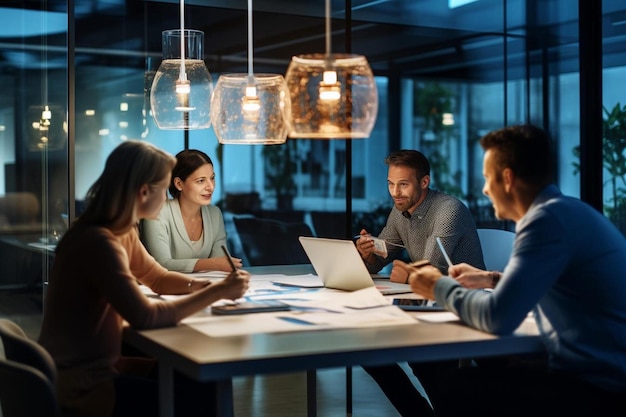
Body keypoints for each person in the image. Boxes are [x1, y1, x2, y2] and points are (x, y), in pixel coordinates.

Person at [399, 124, 626, 416]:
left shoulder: (544, 222)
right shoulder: (567, 211)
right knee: (487, 365)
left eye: (486, 178)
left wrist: (437, 287)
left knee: (456, 387)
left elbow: (497, 317)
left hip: (597, 388)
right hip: (599, 370)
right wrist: (492, 278)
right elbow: (563, 281)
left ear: (506, 178)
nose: (484, 189)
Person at [38, 141, 250, 417]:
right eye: (164, 189)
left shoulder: (119, 231)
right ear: (143, 192)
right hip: (85, 386)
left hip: (97, 368)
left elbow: (157, 277)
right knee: (201, 391)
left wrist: (203, 285)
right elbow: (146, 317)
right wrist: (217, 293)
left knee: (199, 378)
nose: (166, 197)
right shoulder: (98, 242)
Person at [355, 149, 486, 417]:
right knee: (367, 351)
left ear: (424, 182)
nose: (395, 192)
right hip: (424, 301)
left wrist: (407, 273)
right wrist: (367, 254)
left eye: (403, 184)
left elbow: (430, 267)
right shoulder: (400, 210)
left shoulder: (449, 210)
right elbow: (380, 260)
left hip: (459, 304)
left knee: (417, 356)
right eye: (391, 184)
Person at [141, 149, 242, 273]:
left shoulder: (214, 214)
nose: (210, 187)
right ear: (179, 184)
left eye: (212, 178)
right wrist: (212, 263)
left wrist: (217, 265)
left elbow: (221, 266)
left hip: (206, 288)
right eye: (201, 181)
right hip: (164, 290)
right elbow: (162, 264)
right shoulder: (158, 213)